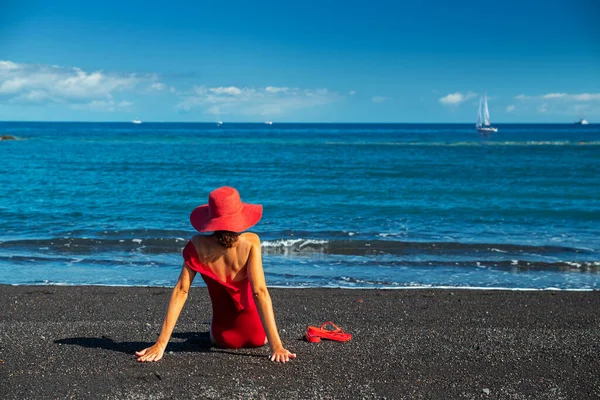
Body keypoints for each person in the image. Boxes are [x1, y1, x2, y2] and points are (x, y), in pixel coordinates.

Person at [136, 186, 296, 363]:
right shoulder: (251, 242)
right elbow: (260, 292)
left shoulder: (197, 244)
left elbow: (181, 291)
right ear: (239, 216)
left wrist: (160, 344)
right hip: (257, 336)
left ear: (211, 218)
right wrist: (277, 346)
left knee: (213, 326)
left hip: (222, 338)